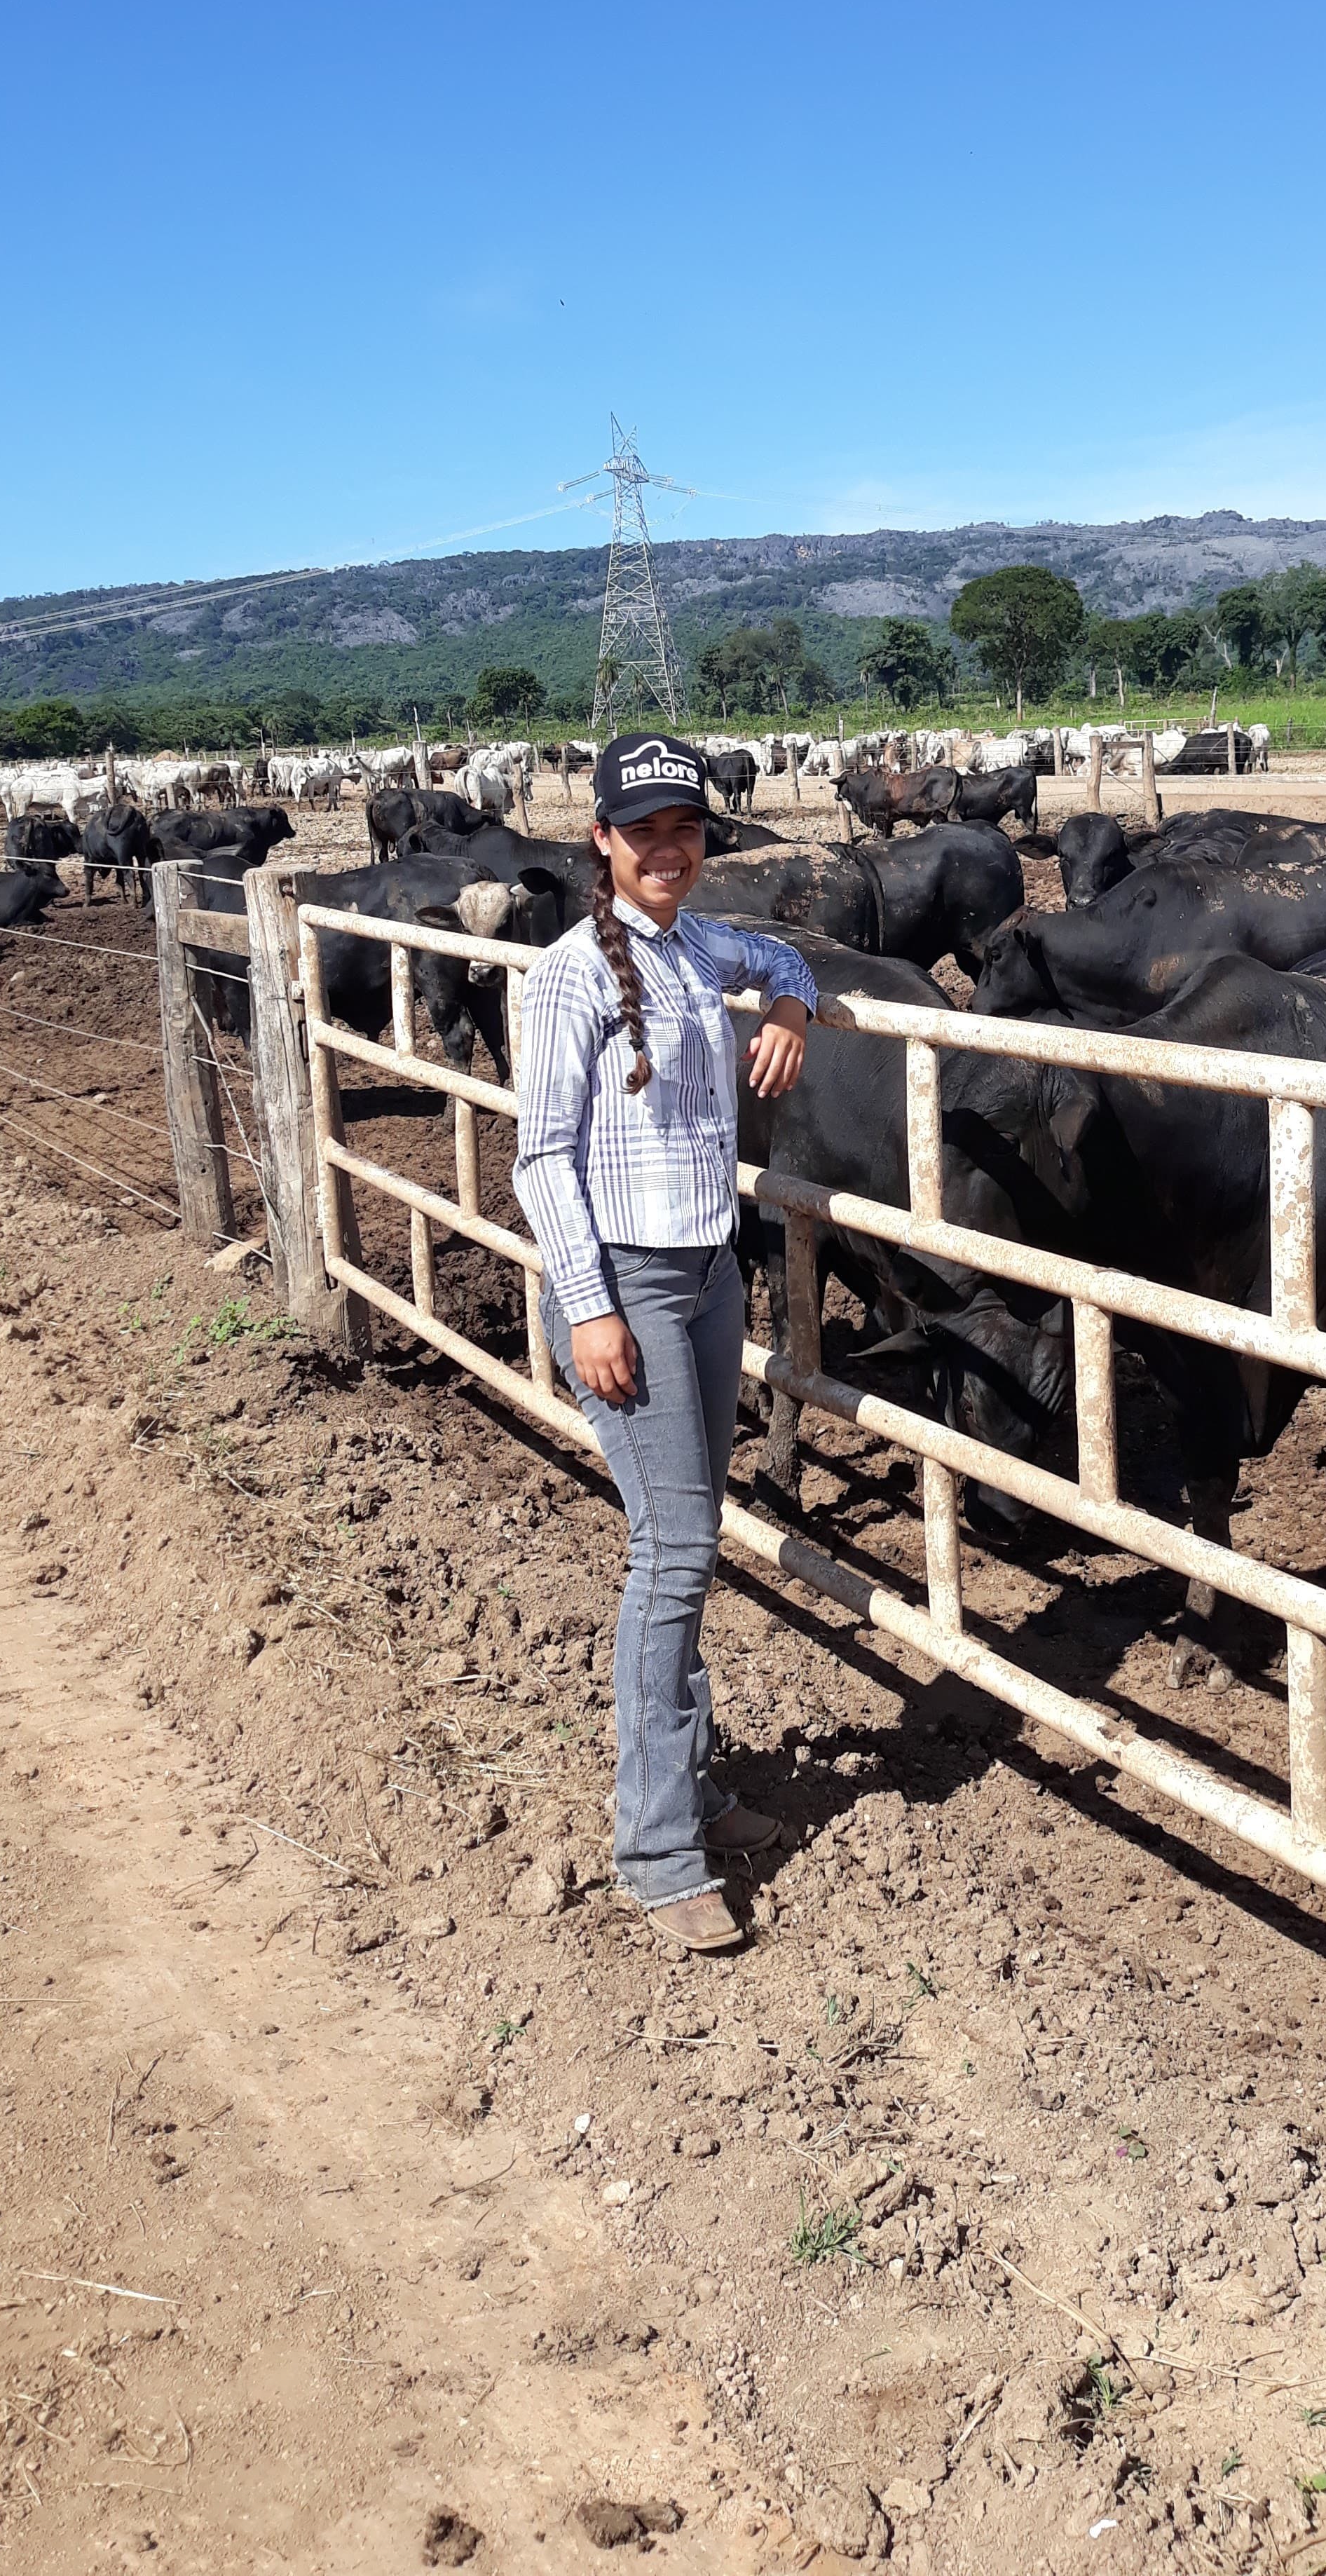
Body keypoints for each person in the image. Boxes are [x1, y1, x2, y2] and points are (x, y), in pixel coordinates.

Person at [512, 730, 817, 1953]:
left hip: (704, 1271)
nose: (667, 850)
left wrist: (789, 1006)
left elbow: (785, 950)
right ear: (602, 841)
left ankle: (684, 1782)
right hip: (625, 1282)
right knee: (679, 1547)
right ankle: (653, 1848)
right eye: (642, 832)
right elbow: (541, 1160)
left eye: (684, 829)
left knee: (679, 1541)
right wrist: (586, 1307)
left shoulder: (702, 945)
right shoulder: (568, 976)